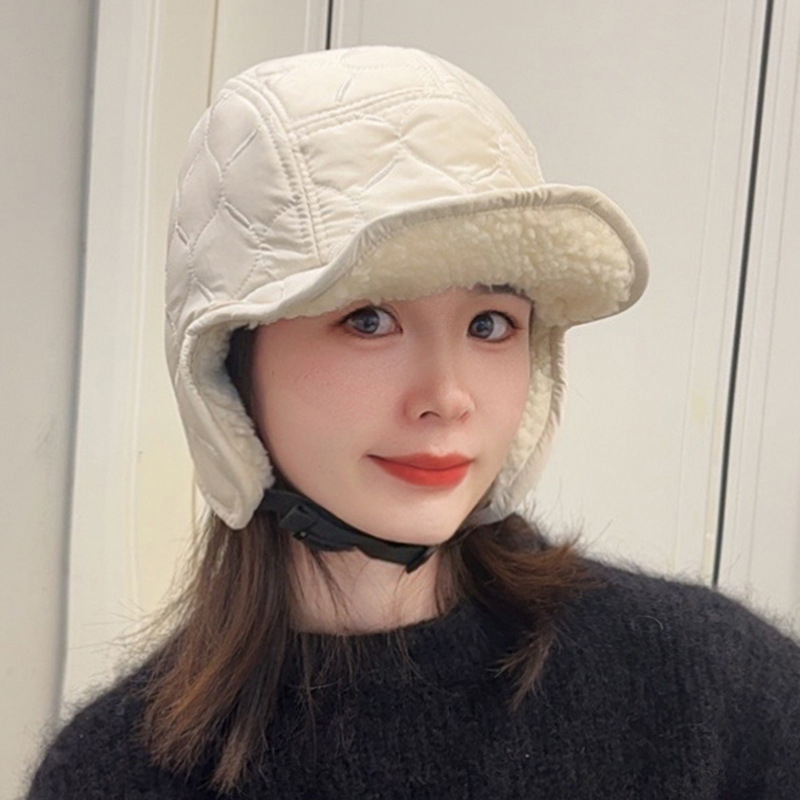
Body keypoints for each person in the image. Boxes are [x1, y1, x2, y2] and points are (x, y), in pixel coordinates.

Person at [27, 46, 799, 799]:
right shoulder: (117, 774)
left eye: (490, 323)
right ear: (229, 366)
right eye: (368, 319)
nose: (448, 396)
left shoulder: (708, 688)